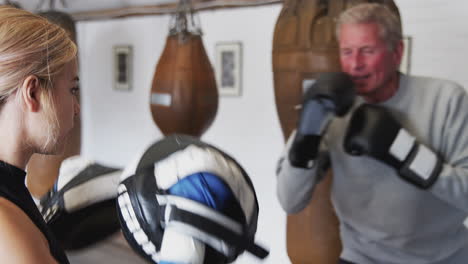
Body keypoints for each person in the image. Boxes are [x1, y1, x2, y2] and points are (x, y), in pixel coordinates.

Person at [277, 3, 468, 264]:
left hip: (444, 259)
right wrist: (306, 136)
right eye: (347, 52)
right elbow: (290, 200)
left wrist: (410, 157)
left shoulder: (446, 101)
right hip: (362, 258)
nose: (355, 64)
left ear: (397, 52)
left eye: (367, 51)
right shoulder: (330, 109)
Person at [0, 6, 79, 264]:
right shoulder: (6, 223)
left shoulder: (11, 194)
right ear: (32, 93)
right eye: (72, 89)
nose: (76, 108)